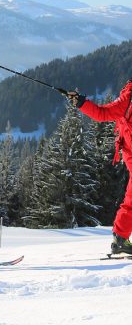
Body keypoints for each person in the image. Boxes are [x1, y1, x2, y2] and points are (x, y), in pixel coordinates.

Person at [68, 79, 132, 255]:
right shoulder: (128, 99)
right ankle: (120, 239)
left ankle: (120, 239)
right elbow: (102, 113)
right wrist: (82, 102)